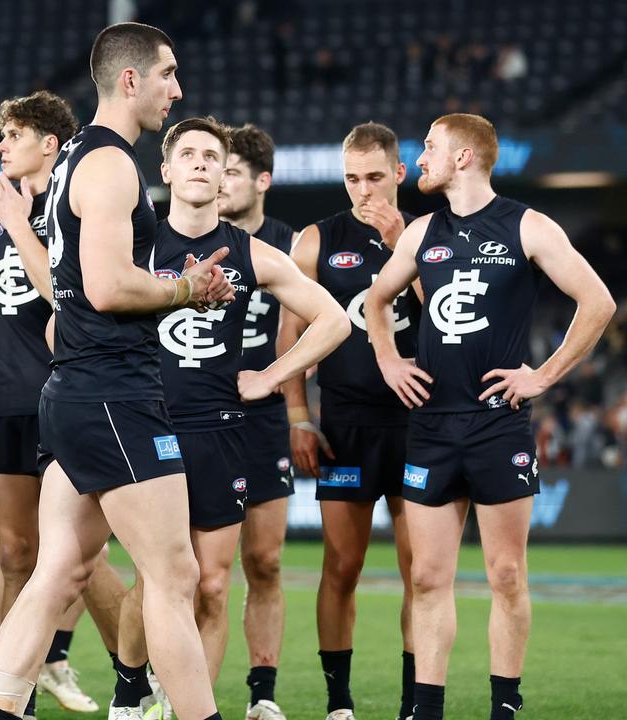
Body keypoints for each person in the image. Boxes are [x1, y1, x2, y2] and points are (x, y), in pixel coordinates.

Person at [0, 23, 235, 720]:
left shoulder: (72, 162)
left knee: (58, 569)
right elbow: (105, 289)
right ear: (130, 80)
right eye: (168, 74)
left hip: (75, 390)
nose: (176, 91)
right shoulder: (111, 163)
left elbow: (77, 293)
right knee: (175, 575)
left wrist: (161, 282)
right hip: (115, 395)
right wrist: (187, 290)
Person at [366, 113, 615, 720]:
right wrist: (390, 361)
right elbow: (375, 300)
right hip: (430, 426)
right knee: (427, 577)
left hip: (498, 424)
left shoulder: (528, 225)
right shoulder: (421, 232)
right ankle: (427, 709)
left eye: (429, 147)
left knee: (506, 574)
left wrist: (544, 375)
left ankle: (505, 706)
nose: (418, 159)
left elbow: (598, 301)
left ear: (464, 157)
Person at [116, 117, 349, 720]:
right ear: (164, 171)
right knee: (153, 578)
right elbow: (61, 322)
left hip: (222, 432)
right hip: (147, 430)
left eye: (210, 157)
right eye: (185, 154)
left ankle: (186, 708)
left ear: (225, 176)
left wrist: (270, 377)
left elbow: (335, 320)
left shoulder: (253, 253)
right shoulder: (133, 245)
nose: (198, 164)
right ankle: (128, 694)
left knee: (213, 585)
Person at [0, 90, 117, 717]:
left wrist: (19, 224)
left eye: (13, 135)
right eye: (1, 134)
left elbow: (68, 293)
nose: (2, 145)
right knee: (14, 553)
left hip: (69, 398)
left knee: (83, 562)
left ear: (49, 145)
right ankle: (18, 697)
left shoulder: (76, 207)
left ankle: (136, 683)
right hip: (5, 404)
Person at [281, 122, 420, 720]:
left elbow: (447, 325)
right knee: (342, 565)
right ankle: (339, 703)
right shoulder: (316, 240)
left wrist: (401, 247)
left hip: (420, 425)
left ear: (399, 174)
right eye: (352, 179)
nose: (363, 191)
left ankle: (419, 702)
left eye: (374, 177)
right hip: (345, 426)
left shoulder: (431, 239)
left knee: (425, 573)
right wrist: (297, 417)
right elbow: (291, 336)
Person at [214, 124, 297, 720]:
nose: (220, 182)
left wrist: (275, 384)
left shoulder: (289, 246)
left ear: (261, 181)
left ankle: (262, 695)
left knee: (263, 562)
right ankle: (166, 691)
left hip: (262, 418)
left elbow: (321, 325)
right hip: (193, 414)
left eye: (233, 172)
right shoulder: (187, 237)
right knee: (194, 571)